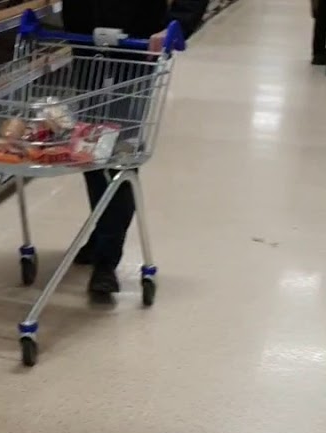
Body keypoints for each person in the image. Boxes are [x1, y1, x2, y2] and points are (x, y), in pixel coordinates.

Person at [62, 0, 210, 297]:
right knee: (91, 148)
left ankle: (107, 259)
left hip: (136, 44)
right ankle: (103, 230)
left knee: (119, 153)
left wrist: (178, 22)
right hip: (87, 42)